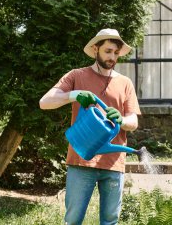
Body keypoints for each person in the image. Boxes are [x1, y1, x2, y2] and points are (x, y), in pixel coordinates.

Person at [39, 28, 141, 225]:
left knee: (110, 220)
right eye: (108, 51)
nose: (112, 57)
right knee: (73, 220)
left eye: (116, 53)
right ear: (95, 49)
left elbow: (133, 122)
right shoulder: (77, 75)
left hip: (113, 162)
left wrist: (121, 119)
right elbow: (45, 102)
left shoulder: (125, 83)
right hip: (81, 161)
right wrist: (74, 95)